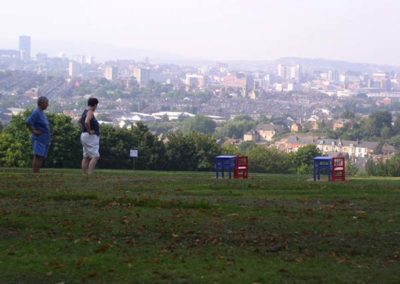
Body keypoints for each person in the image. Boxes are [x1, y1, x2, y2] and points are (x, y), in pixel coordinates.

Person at [26, 96, 51, 173]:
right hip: (39, 138)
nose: (47, 105)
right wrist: (33, 131)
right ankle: (35, 173)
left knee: (41, 156)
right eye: (46, 103)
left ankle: (37, 172)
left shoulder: (41, 112)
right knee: (37, 156)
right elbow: (28, 122)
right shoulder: (36, 112)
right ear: (42, 103)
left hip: (44, 139)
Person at [79, 97, 100, 176]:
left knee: (86, 156)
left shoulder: (85, 111)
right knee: (95, 156)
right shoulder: (90, 112)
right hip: (89, 136)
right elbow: (87, 122)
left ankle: (84, 174)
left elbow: (80, 121)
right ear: (94, 105)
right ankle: (90, 173)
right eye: (96, 105)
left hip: (84, 136)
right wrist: (89, 131)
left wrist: (84, 129)